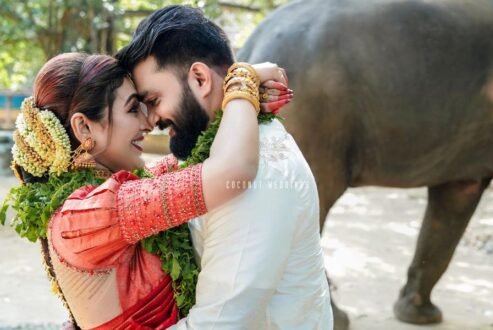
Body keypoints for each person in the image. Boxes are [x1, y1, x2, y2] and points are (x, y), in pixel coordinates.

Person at [2, 52, 287, 329]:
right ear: (84, 127)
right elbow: (234, 170)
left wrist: (238, 105)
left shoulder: (113, 198)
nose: (148, 122)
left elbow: (196, 161)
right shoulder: (85, 218)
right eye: (132, 108)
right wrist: (241, 80)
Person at [116, 5, 333, 329]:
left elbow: (219, 323)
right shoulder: (219, 144)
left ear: (201, 79)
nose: (152, 121)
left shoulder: (257, 178)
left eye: (154, 100)